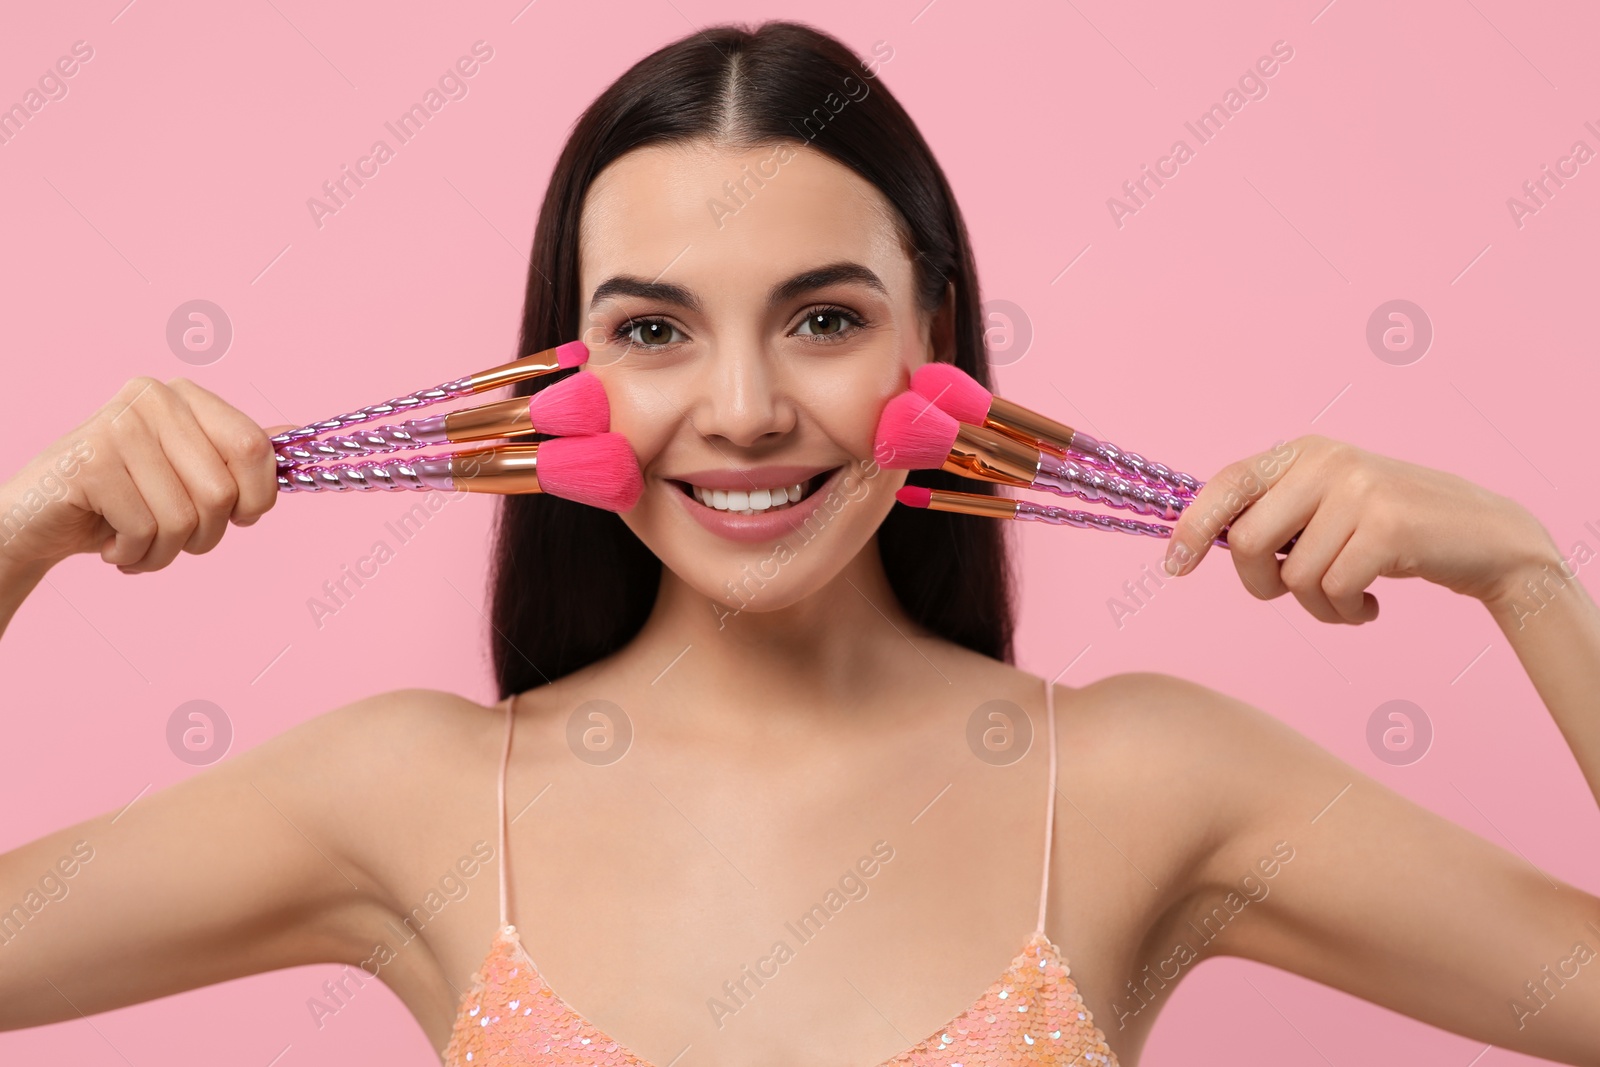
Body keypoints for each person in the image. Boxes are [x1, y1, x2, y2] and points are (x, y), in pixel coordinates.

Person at [2, 19, 1598, 1067]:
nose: (748, 408)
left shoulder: (1138, 783)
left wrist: (1526, 581)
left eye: (824, 318)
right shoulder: (408, 796)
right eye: (655, 330)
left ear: (936, 337)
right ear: (568, 366)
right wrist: (28, 531)